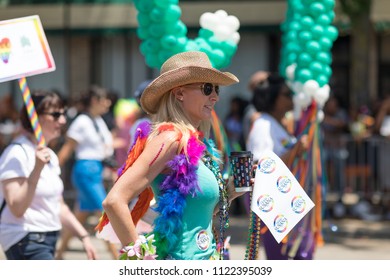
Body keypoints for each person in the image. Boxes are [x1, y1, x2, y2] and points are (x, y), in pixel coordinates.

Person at [97, 51, 248, 260]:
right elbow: (114, 201)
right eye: (206, 88)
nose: (214, 96)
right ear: (179, 93)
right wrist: (142, 259)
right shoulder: (171, 139)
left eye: (216, 89)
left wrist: (230, 193)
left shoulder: (198, 143)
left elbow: (195, 212)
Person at [0, 90, 97, 260]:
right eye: (56, 114)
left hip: (49, 238)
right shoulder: (16, 153)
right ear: (34, 116)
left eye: (63, 113)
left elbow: (59, 206)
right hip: (25, 239)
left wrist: (84, 237)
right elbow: (17, 208)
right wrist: (36, 169)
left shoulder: (49, 155)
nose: (62, 120)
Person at [246, 73, 311, 260]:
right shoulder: (263, 124)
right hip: (272, 201)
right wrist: (296, 149)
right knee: (279, 256)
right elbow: (261, 165)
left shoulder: (276, 123)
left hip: (285, 200)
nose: (292, 97)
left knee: (294, 254)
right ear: (273, 98)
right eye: (286, 94)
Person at [56, 85, 118, 259]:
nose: (108, 103)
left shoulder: (97, 120)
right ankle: (118, 259)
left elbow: (105, 146)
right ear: (94, 101)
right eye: (104, 99)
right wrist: (52, 168)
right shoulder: (82, 121)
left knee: (80, 215)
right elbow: (68, 148)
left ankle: (59, 254)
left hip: (96, 169)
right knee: (104, 214)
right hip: (86, 171)